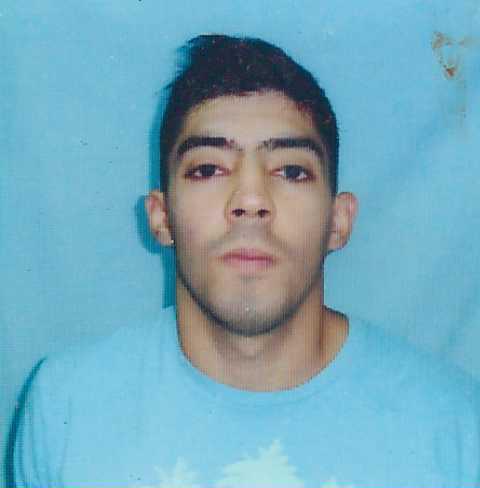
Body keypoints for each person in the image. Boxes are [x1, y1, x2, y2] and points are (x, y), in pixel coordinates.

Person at [14, 34, 480, 487]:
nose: (251, 199)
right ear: (161, 216)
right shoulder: (66, 405)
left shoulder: (456, 426)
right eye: (208, 169)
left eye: (291, 171)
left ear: (339, 221)